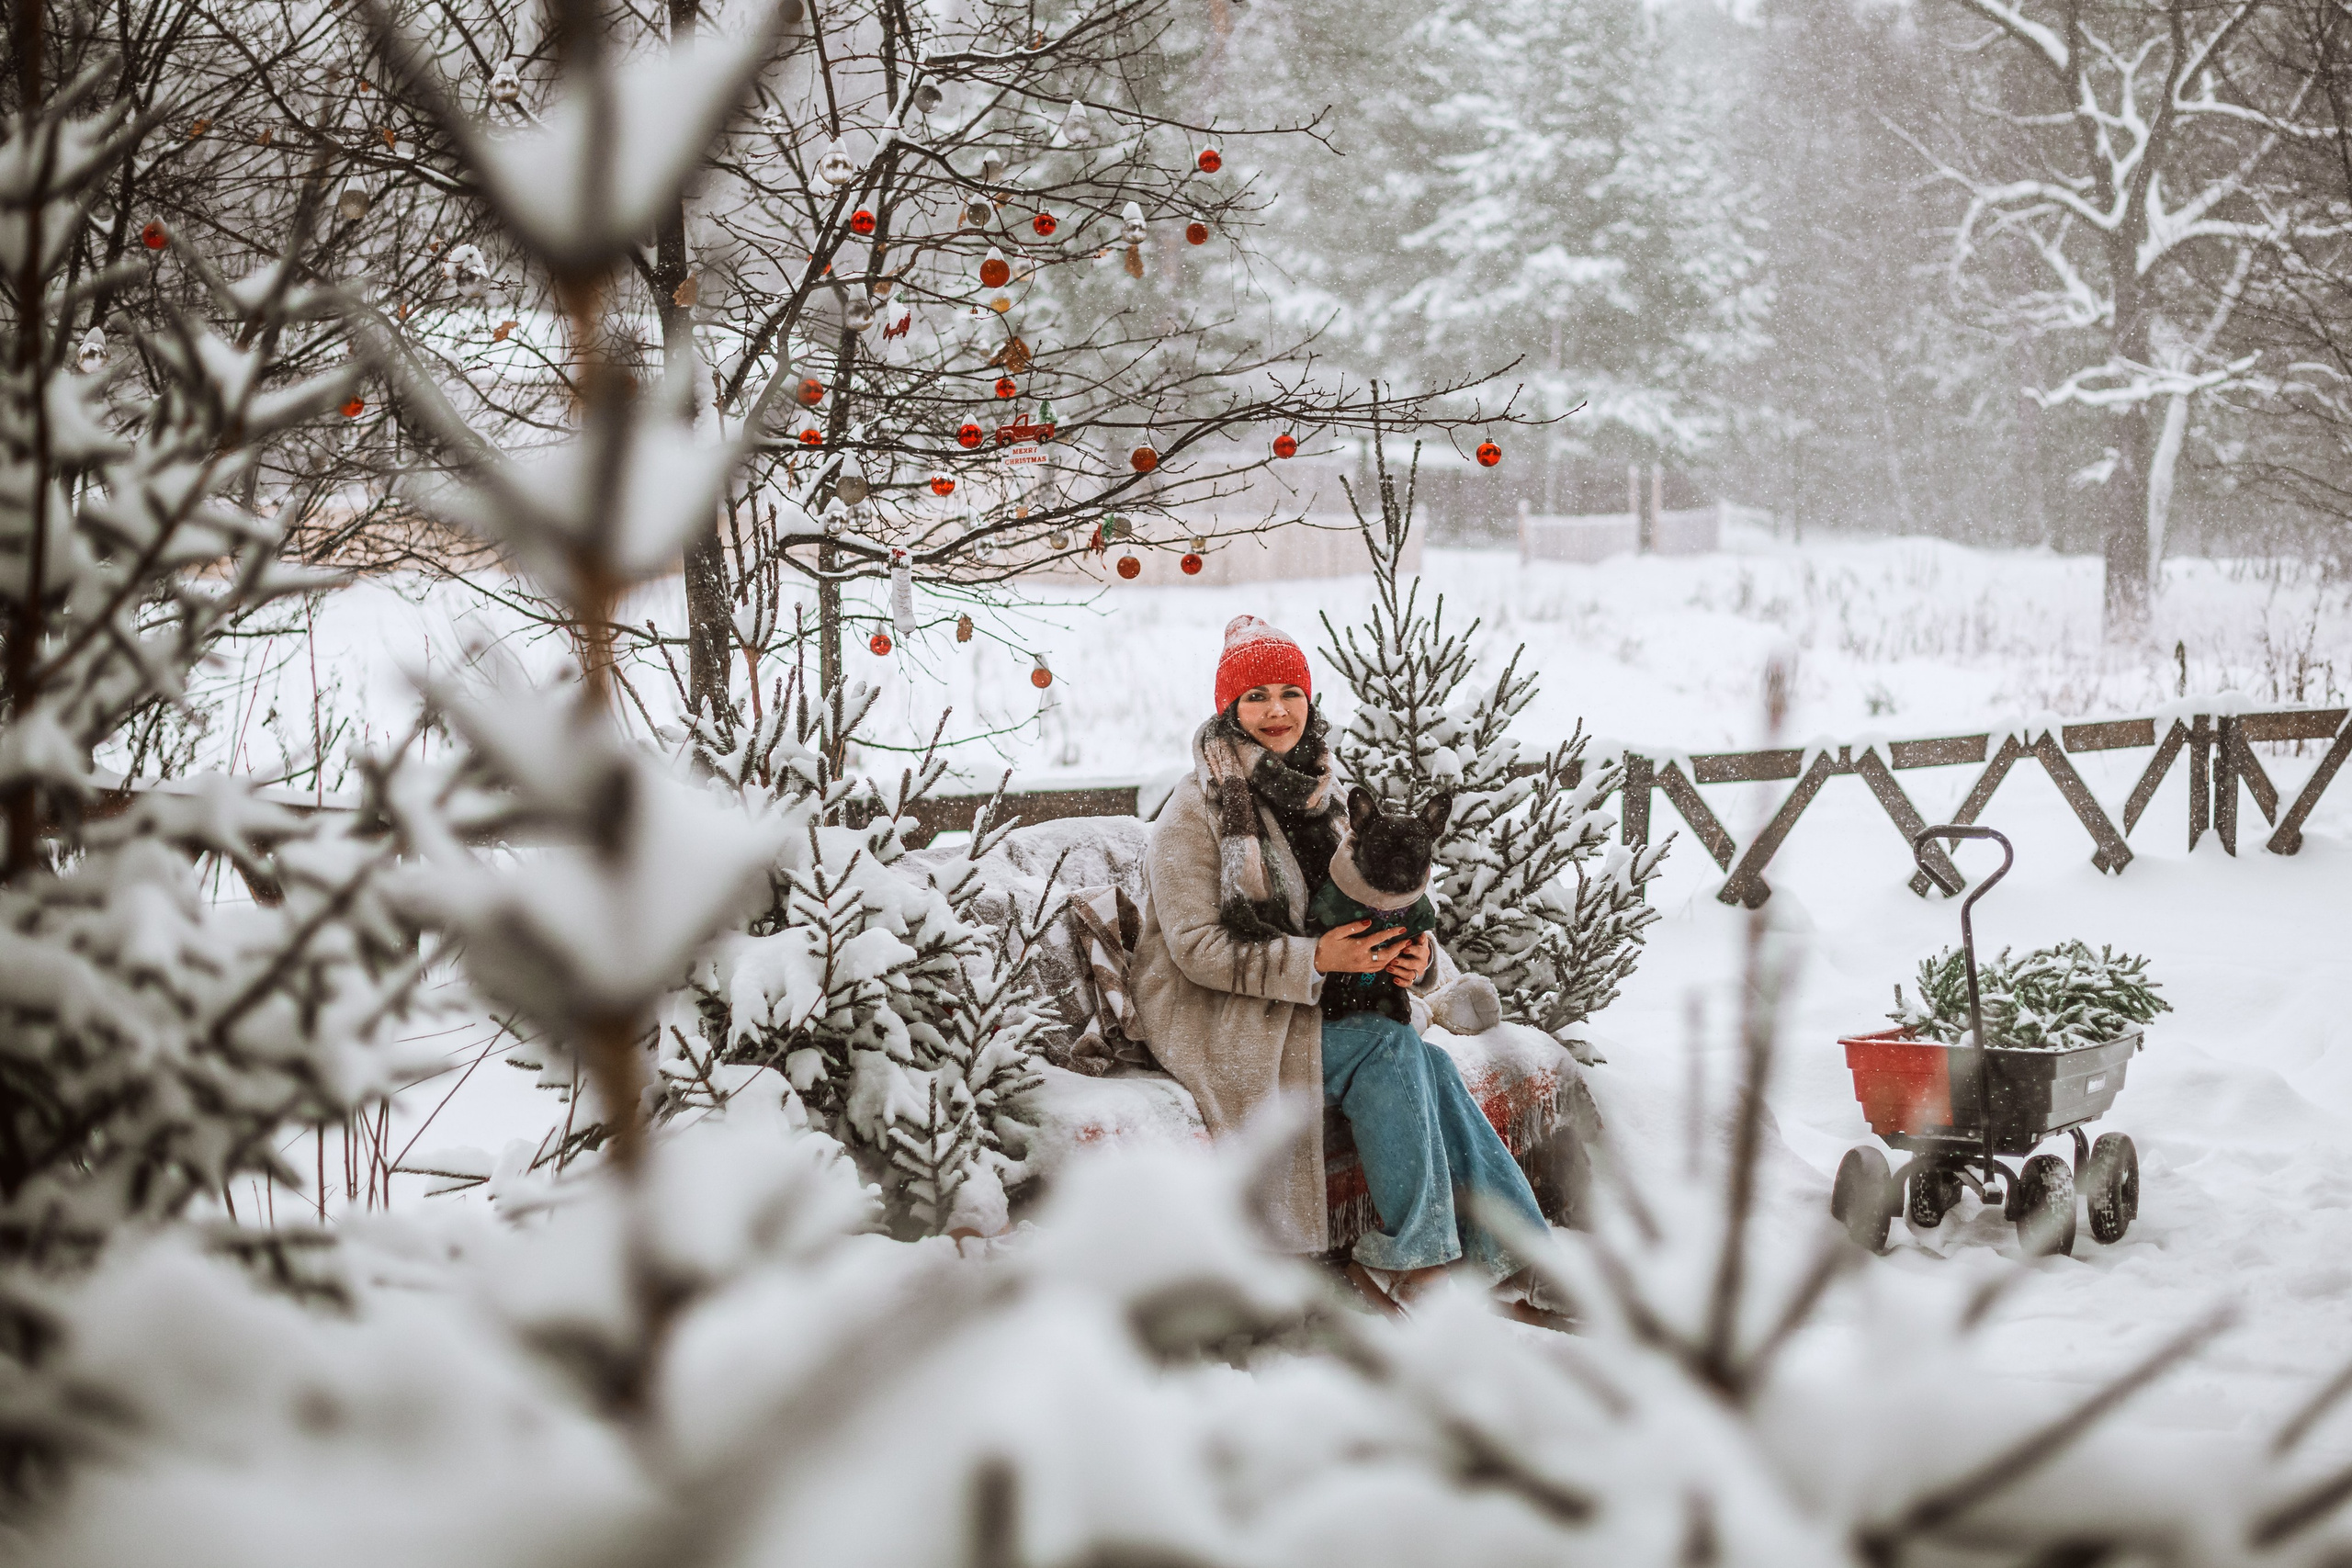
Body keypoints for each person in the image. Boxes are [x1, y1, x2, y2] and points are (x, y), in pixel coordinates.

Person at [1127, 615, 1551, 1310]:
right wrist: (1316, 957)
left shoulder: (1323, 799)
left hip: (1310, 1007)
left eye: (1289, 692)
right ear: (1229, 709)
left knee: (1431, 1062)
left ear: (1309, 701)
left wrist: (1416, 961)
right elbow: (1197, 950)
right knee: (1388, 1049)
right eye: (1256, 695)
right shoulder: (1196, 810)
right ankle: (1411, 1264)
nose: (1275, 710)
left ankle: (1516, 1255)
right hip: (1221, 1020)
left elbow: (1381, 898)